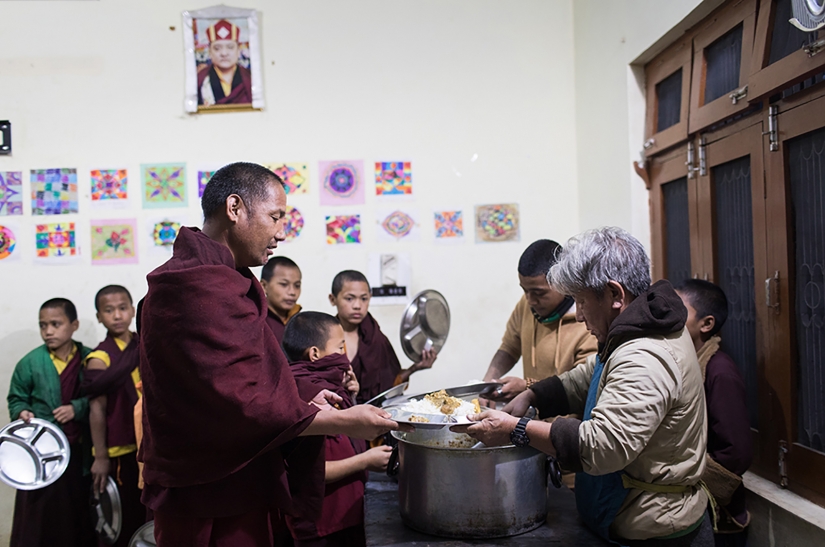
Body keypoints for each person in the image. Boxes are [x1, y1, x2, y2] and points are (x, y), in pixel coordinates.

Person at [138, 162, 402, 547]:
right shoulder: (192, 287)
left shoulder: (224, 278)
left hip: (240, 478)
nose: (281, 232)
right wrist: (342, 422)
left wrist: (296, 395)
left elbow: (237, 377)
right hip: (206, 492)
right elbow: (240, 402)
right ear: (235, 208)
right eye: (275, 217)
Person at [454, 227, 712, 546]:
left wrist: (515, 429)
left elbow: (603, 447)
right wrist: (534, 394)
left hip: (657, 531)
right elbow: (591, 374)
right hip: (622, 516)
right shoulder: (634, 329)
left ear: (616, 295)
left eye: (581, 300)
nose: (577, 315)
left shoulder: (645, 354)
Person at [282, 312, 393, 547]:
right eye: (340, 348)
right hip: (322, 525)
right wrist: (365, 460)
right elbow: (310, 471)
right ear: (314, 354)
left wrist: (350, 395)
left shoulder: (328, 388)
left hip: (346, 516)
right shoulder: (302, 397)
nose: (345, 357)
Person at [7, 298, 96, 547]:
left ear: (74, 324)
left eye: (55, 324)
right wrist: (21, 412)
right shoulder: (30, 362)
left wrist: (77, 408)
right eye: (43, 325)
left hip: (79, 450)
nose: (48, 331)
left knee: (76, 510)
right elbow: (16, 397)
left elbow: (100, 399)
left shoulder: (90, 358)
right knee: (38, 514)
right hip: (40, 455)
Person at [675, 280, 752, 546]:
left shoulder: (720, 372)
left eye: (679, 310)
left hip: (718, 519)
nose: (669, 317)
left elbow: (737, 452)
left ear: (706, 324)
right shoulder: (684, 362)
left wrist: (686, 476)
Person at [481, 239, 597, 404]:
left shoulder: (588, 323)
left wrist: (527, 388)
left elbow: (581, 387)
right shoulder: (526, 305)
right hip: (532, 418)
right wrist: (486, 385)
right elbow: (509, 348)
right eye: (525, 290)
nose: (530, 300)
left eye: (538, 293)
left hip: (563, 427)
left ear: (562, 282)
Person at [83, 285, 146, 547]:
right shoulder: (99, 358)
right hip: (120, 449)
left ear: (132, 310)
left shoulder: (143, 344)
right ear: (99, 316)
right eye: (109, 311)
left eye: (122, 308)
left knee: (147, 517)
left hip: (148, 446)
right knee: (123, 516)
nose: (117, 315)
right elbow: (96, 408)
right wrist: (100, 456)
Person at [329, 270, 437, 405]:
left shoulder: (376, 338)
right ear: (333, 299)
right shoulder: (325, 337)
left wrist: (414, 368)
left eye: (364, 298)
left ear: (370, 297)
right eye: (349, 298)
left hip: (375, 416)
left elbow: (389, 383)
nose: (357, 306)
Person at [197, 19, 253, 107]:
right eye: (217, 48)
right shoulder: (200, 80)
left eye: (230, 47)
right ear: (209, 52)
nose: (224, 53)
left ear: (238, 50)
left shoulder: (250, 77)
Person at [261, 256, 303, 343]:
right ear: (264, 286)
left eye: (297, 285)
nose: (292, 292)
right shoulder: (256, 319)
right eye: (284, 284)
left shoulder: (301, 322)